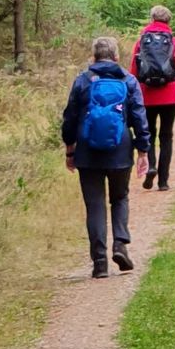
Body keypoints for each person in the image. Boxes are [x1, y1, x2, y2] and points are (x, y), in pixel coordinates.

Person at [62, 37, 150, 279]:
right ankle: (120, 245)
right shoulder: (128, 80)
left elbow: (69, 118)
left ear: (93, 56)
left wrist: (70, 150)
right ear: (116, 57)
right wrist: (143, 151)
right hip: (120, 150)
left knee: (95, 205)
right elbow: (139, 117)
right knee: (120, 197)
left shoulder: (83, 80)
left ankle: (99, 262)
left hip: (88, 153)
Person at [130, 5, 175, 192]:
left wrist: (132, 98)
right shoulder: (174, 42)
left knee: (149, 133)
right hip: (170, 95)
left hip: (146, 95)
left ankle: (152, 166)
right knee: (166, 136)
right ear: (169, 21)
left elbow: (133, 71)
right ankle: (163, 181)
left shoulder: (141, 42)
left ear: (151, 19)